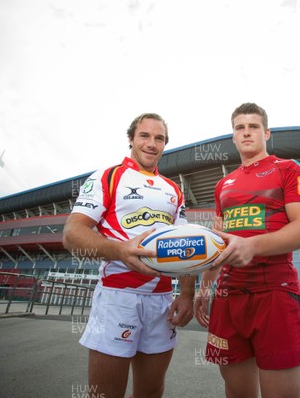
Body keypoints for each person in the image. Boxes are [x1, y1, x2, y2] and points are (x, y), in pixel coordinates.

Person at [63, 113, 195, 398]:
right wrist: (120, 250)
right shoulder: (107, 177)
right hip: (117, 297)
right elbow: (72, 233)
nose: (151, 143)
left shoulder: (174, 190)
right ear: (131, 140)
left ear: (165, 144)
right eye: (144, 136)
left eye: (159, 138)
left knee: (151, 392)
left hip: (162, 300)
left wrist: (186, 294)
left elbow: (184, 246)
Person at [194, 103, 300, 398]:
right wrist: (205, 286)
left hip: (274, 289)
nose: (246, 132)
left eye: (253, 126)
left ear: (267, 133)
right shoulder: (224, 184)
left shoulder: (289, 170)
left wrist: (252, 246)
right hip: (229, 294)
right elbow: (219, 241)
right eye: (240, 127)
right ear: (233, 137)